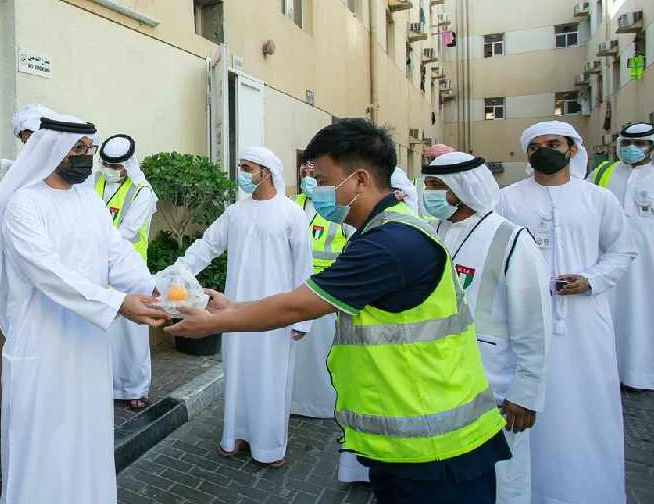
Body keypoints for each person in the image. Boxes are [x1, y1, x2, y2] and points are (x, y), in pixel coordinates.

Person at [167, 119, 510, 504]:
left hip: (437, 450)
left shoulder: (390, 243)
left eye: (324, 179)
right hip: (408, 443)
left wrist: (214, 321)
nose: (316, 191)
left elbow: (299, 304)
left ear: (359, 180)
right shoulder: (383, 232)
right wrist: (235, 305)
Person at [0, 116, 168, 502]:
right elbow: (49, 273)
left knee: (86, 432)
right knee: (43, 436)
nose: (86, 158)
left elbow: (118, 254)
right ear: (52, 151)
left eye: (88, 150)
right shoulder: (23, 204)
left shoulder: (89, 200)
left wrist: (155, 289)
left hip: (87, 343)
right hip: (42, 343)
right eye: (78, 150)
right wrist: (118, 303)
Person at [497, 121, 636, 504]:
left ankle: (586, 490)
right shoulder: (507, 199)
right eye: (536, 146)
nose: (545, 150)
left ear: (572, 150)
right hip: (522, 322)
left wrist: (590, 280)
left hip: (584, 321)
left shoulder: (597, 198)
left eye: (553, 144)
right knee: (526, 408)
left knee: (587, 408)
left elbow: (621, 251)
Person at [167, 146, 312, 467]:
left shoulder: (292, 214)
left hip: (277, 314)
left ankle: (270, 446)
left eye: (247, 168)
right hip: (233, 313)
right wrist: (173, 275)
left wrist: (302, 320)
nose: (242, 174)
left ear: (266, 171)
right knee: (238, 374)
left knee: (271, 378)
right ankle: (236, 436)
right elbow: (206, 246)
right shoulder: (236, 212)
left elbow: (304, 269)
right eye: (241, 167)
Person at [423, 152, 552, 504]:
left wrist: (525, 393)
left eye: (437, 186)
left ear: (462, 190)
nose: (428, 193)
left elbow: (535, 323)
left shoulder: (510, 239)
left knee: (502, 478)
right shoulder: (431, 230)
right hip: (441, 380)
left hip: (495, 387)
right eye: (428, 184)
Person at [94, 134, 159, 409]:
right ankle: (105, 387)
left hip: (130, 271)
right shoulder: (95, 180)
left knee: (133, 336)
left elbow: (127, 232)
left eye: (114, 165)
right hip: (99, 268)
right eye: (105, 163)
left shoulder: (142, 191)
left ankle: (136, 388)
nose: (108, 169)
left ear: (127, 165)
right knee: (105, 332)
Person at [590, 122, 654, 391]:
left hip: (647, 265)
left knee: (644, 315)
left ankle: (642, 374)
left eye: (639, 145)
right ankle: (611, 373)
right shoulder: (603, 172)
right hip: (607, 261)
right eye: (626, 144)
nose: (631, 149)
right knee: (611, 316)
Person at [290, 161, 347, 421]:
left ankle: (323, 404)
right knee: (298, 354)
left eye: (315, 175)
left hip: (328, 291)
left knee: (324, 352)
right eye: (305, 174)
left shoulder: (338, 206)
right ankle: (295, 401)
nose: (309, 179)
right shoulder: (293, 202)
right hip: (298, 288)